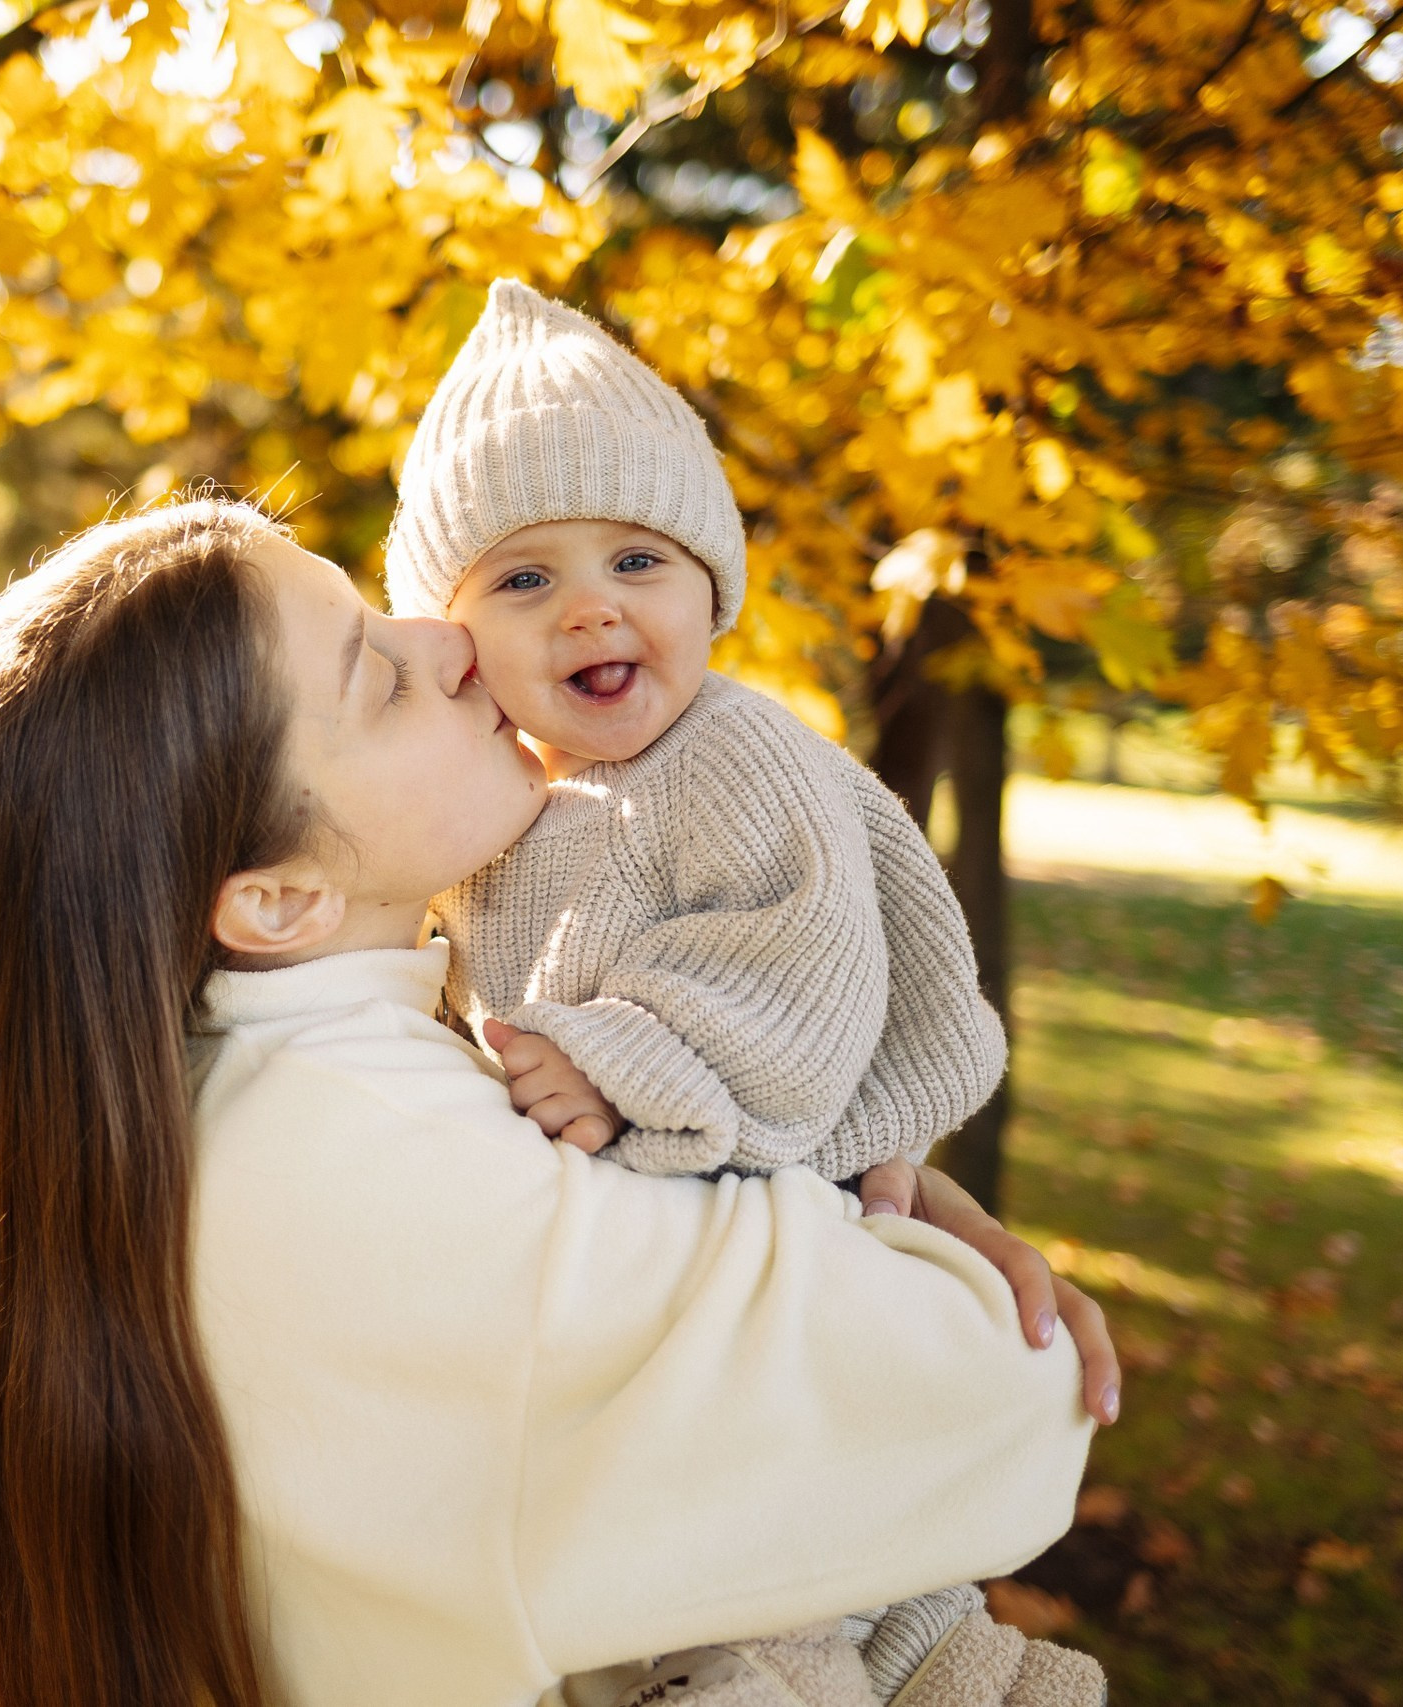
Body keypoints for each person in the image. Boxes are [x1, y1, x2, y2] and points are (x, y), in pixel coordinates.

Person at [0, 497, 1117, 1707]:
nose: (450, 640)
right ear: (276, 901)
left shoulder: (249, 1103)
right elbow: (1003, 1399)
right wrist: (886, 1230)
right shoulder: (391, 1170)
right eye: (377, 674)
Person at [387, 279, 1106, 1706]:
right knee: (834, 1591)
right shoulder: (510, 811)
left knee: (767, 1596)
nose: (591, 602)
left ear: (711, 585)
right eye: (523, 579)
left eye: (637, 558)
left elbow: (805, 955)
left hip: (745, 1220)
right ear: (459, 639)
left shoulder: (733, 755)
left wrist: (620, 1056)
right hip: (646, 1285)